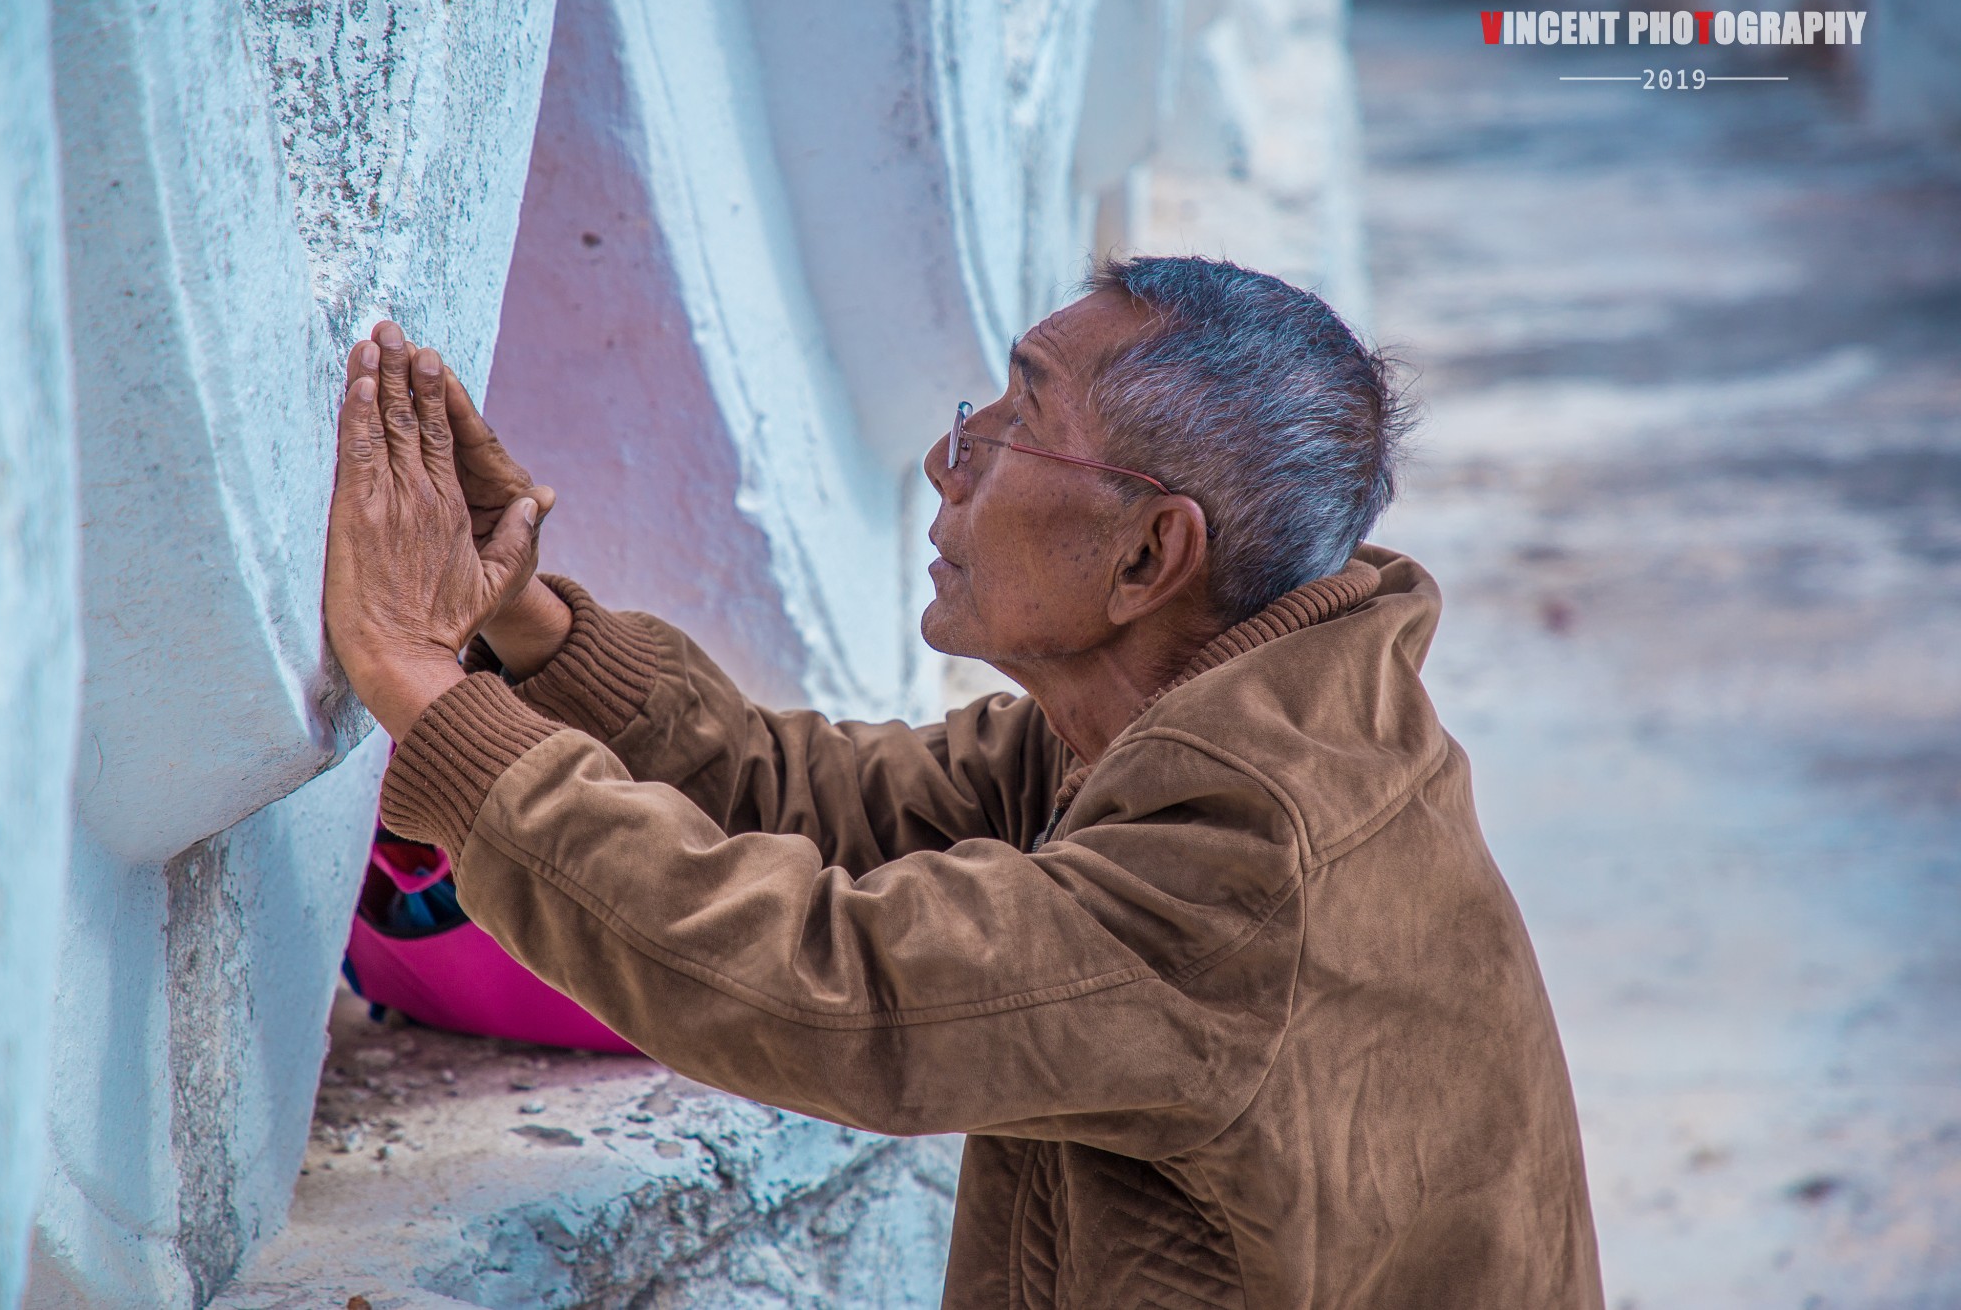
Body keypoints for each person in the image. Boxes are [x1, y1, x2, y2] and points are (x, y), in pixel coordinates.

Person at [323, 256, 1604, 1308]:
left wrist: (419, 684)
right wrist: (533, 627)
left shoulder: (1242, 845)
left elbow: (835, 989)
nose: (951, 459)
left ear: (1149, 553)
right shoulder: (1191, 711)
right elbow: (833, 806)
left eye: (1016, 424)